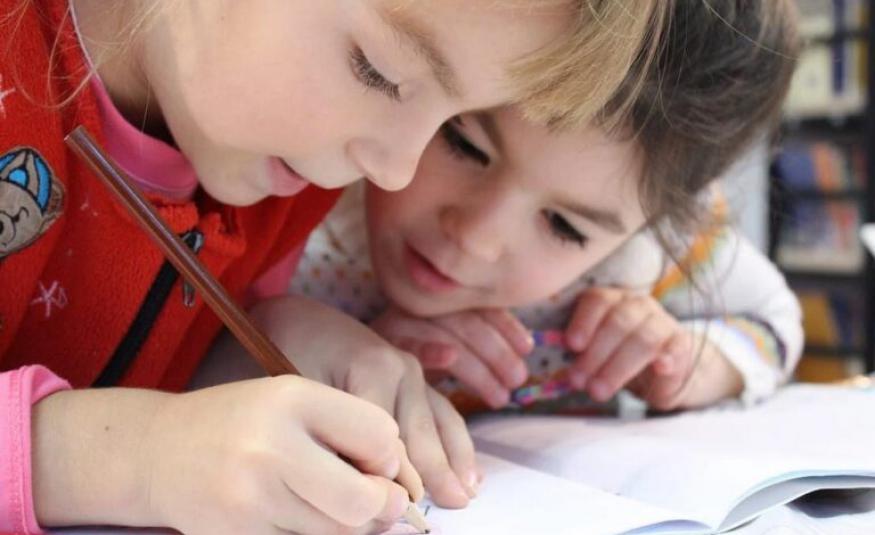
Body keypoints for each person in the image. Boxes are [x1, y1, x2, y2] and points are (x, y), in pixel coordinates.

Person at [0, 0, 668, 533]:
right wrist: (140, 458)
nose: (395, 170)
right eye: (380, 73)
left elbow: (133, 365)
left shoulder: (283, 173)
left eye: (453, 117)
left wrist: (254, 347)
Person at [290, 0, 803, 418]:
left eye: (564, 226)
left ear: (652, 225)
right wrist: (320, 349)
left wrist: (693, 363)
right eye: (464, 145)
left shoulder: (651, 255)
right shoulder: (304, 184)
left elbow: (775, 322)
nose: (475, 238)